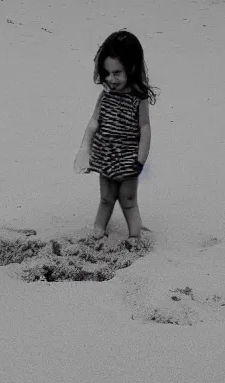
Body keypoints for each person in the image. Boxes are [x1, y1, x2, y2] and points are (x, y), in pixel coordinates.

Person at [73, 30, 158, 239]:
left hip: (129, 158)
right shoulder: (106, 95)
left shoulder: (139, 97)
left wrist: (140, 159)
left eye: (117, 73)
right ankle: (97, 232)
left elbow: (145, 128)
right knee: (106, 198)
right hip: (105, 155)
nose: (111, 79)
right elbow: (94, 122)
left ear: (132, 67)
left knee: (128, 200)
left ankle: (135, 236)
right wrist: (84, 149)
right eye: (107, 73)